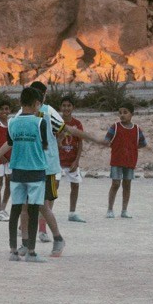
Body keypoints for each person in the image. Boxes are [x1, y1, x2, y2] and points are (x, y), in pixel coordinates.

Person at [0, 87, 50, 262]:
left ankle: (13, 250)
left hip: (17, 171)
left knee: (15, 210)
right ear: (37, 104)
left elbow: (9, 143)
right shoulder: (40, 122)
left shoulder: (12, 122)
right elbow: (44, 146)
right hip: (36, 170)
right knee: (33, 210)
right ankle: (31, 251)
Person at [26, 81, 65, 254]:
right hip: (32, 164)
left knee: (41, 203)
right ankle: (28, 241)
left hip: (44, 166)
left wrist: (52, 146)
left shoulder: (47, 111)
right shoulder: (28, 113)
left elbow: (62, 129)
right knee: (29, 202)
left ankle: (54, 236)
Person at [57, 94, 86, 222]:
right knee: (53, 185)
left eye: (69, 105)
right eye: (64, 105)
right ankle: (47, 211)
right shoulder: (57, 122)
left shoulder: (77, 124)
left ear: (73, 107)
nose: (66, 108)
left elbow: (80, 143)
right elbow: (53, 141)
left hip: (71, 160)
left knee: (75, 185)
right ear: (60, 107)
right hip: (57, 160)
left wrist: (77, 160)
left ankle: (72, 212)